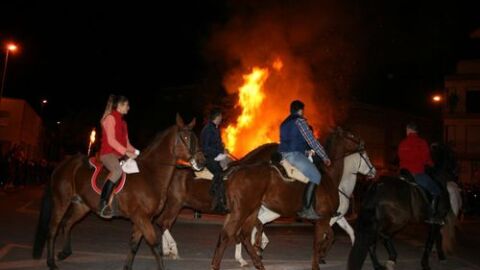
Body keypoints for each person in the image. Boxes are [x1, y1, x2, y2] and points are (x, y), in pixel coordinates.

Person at [278, 100, 331, 220]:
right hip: (294, 156)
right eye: (303, 111)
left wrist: (307, 153)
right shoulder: (300, 121)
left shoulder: (284, 123)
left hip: (283, 155)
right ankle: (306, 209)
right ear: (301, 110)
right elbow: (312, 141)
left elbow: (293, 144)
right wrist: (324, 156)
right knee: (316, 176)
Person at [98, 95, 138, 219]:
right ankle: (103, 203)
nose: (129, 108)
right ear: (120, 106)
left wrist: (137, 152)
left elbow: (127, 143)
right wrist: (126, 152)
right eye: (127, 105)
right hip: (107, 153)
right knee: (117, 170)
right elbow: (111, 140)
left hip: (119, 153)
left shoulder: (124, 123)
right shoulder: (110, 118)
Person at [398, 122, 442, 224]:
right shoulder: (422, 143)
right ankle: (432, 216)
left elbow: (400, 157)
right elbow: (426, 159)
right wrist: (432, 164)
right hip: (417, 174)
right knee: (436, 191)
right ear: (416, 131)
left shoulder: (402, 143)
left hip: (403, 175)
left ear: (408, 130)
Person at [200, 108, 229, 214]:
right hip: (209, 158)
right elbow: (206, 148)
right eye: (221, 116)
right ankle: (219, 203)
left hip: (217, 156)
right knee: (219, 174)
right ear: (217, 117)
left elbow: (217, 144)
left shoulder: (216, 129)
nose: (221, 118)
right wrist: (219, 153)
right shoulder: (208, 130)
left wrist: (223, 149)